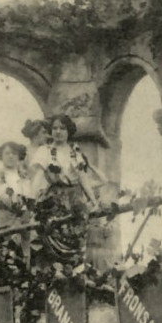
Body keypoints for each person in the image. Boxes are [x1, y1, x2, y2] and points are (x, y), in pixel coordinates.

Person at [31, 114, 114, 269]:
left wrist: (92, 200)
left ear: (68, 130)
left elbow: (83, 178)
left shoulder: (75, 152)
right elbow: (38, 175)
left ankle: (76, 272)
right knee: (54, 232)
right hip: (55, 198)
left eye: (62, 128)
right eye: (55, 128)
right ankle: (57, 271)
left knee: (76, 235)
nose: (58, 132)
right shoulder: (45, 151)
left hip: (75, 198)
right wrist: (31, 199)